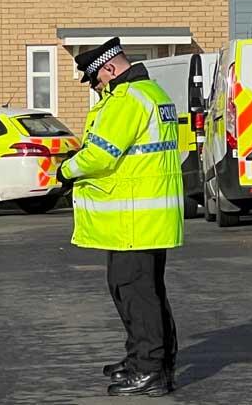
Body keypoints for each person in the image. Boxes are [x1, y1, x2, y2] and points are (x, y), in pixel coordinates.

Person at [57, 37, 184, 397]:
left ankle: (149, 369)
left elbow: (100, 155)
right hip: (148, 216)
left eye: (97, 80)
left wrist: (65, 171)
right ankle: (147, 360)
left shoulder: (127, 100)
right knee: (147, 292)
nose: (98, 89)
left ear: (110, 69)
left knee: (135, 294)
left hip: (133, 217)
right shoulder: (153, 93)